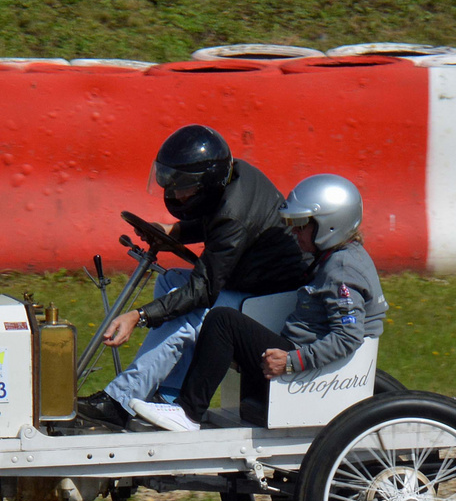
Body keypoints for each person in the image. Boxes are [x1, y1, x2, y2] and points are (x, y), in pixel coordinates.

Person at [77, 124, 308, 428]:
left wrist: (139, 315)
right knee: (170, 281)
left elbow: (204, 289)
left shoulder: (233, 215)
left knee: (187, 312)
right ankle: (170, 394)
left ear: (208, 183)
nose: (174, 193)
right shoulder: (232, 179)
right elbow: (213, 222)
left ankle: (120, 401)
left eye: (182, 185)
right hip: (251, 282)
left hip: (269, 301)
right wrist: (169, 231)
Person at [128, 173, 387, 432]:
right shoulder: (336, 257)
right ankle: (172, 398)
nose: (295, 232)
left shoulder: (342, 269)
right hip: (295, 349)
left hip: (299, 360)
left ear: (330, 225)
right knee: (227, 321)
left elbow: (347, 337)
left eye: (301, 225)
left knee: (222, 321)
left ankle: (188, 412)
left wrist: (292, 360)